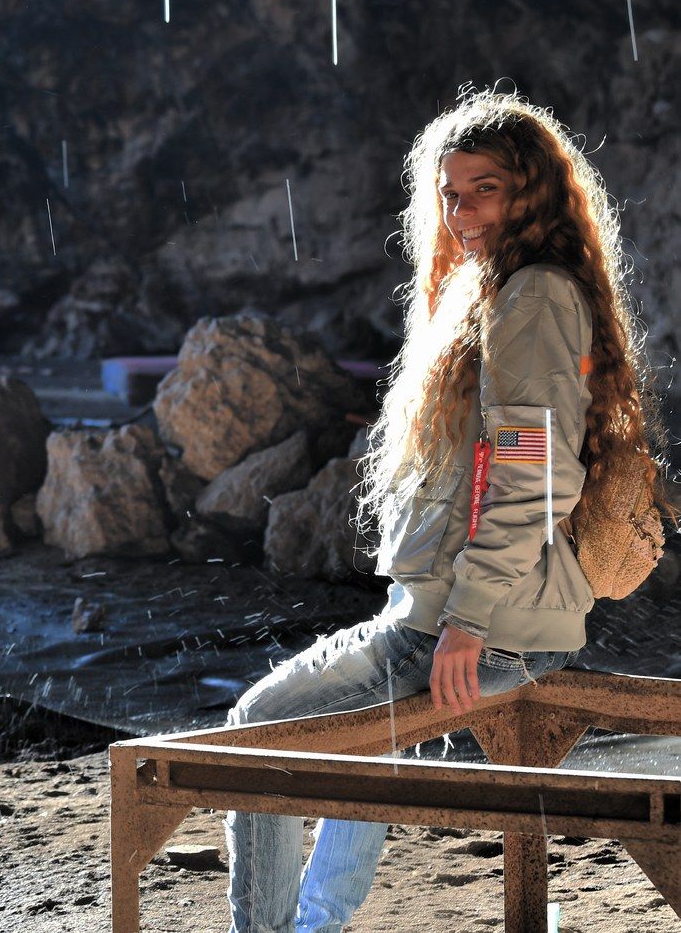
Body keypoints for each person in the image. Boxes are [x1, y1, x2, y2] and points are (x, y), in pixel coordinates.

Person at [220, 84, 679, 933]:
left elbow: (532, 475)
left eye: (485, 191)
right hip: (494, 617)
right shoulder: (509, 289)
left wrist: (465, 622)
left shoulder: (530, 298)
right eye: (450, 194)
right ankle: (317, 924)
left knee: (256, 733)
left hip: (474, 626)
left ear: (531, 192)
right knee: (371, 737)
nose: (462, 213)